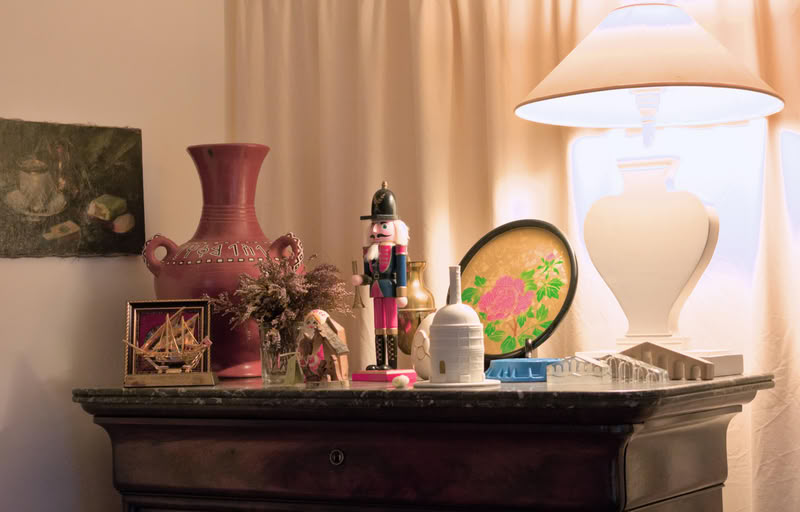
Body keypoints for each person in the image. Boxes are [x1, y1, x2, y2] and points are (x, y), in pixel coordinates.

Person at [352, 181, 409, 370]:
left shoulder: (397, 249)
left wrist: (401, 293)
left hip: (390, 290)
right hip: (376, 291)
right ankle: (380, 362)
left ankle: (392, 364)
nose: (375, 230)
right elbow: (369, 274)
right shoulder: (369, 250)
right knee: (378, 326)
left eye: (382, 225)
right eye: (374, 224)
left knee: (391, 325)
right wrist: (361, 279)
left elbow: (401, 271)